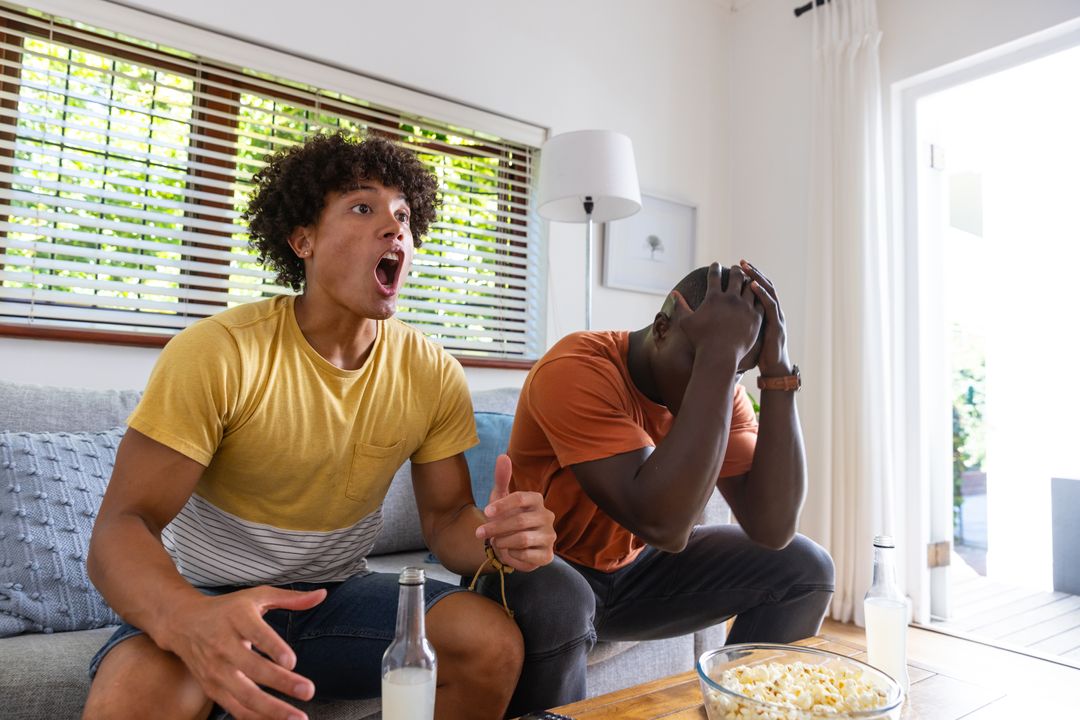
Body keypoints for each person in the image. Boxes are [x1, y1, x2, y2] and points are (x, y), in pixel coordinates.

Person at [83, 132, 556, 720]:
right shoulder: (220, 352)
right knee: (140, 697)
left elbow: (443, 521)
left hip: (337, 595)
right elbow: (120, 530)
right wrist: (187, 619)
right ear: (301, 239)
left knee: (489, 642)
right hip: (205, 595)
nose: (394, 226)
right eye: (363, 207)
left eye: (403, 215)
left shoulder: (431, 371)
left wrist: (497, 540)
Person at [475, 261, 835, 714]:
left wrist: (778, 369)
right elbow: (664, 525)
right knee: (562, 597)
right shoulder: (577, 367)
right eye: (704, 356)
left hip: (632, 574)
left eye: (734, 371)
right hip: (540, 572)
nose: (721, 382)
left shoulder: (723, 385)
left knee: (805, 569)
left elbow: (774, 528)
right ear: (662, 328)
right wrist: (719, 360)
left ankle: (742, 710)